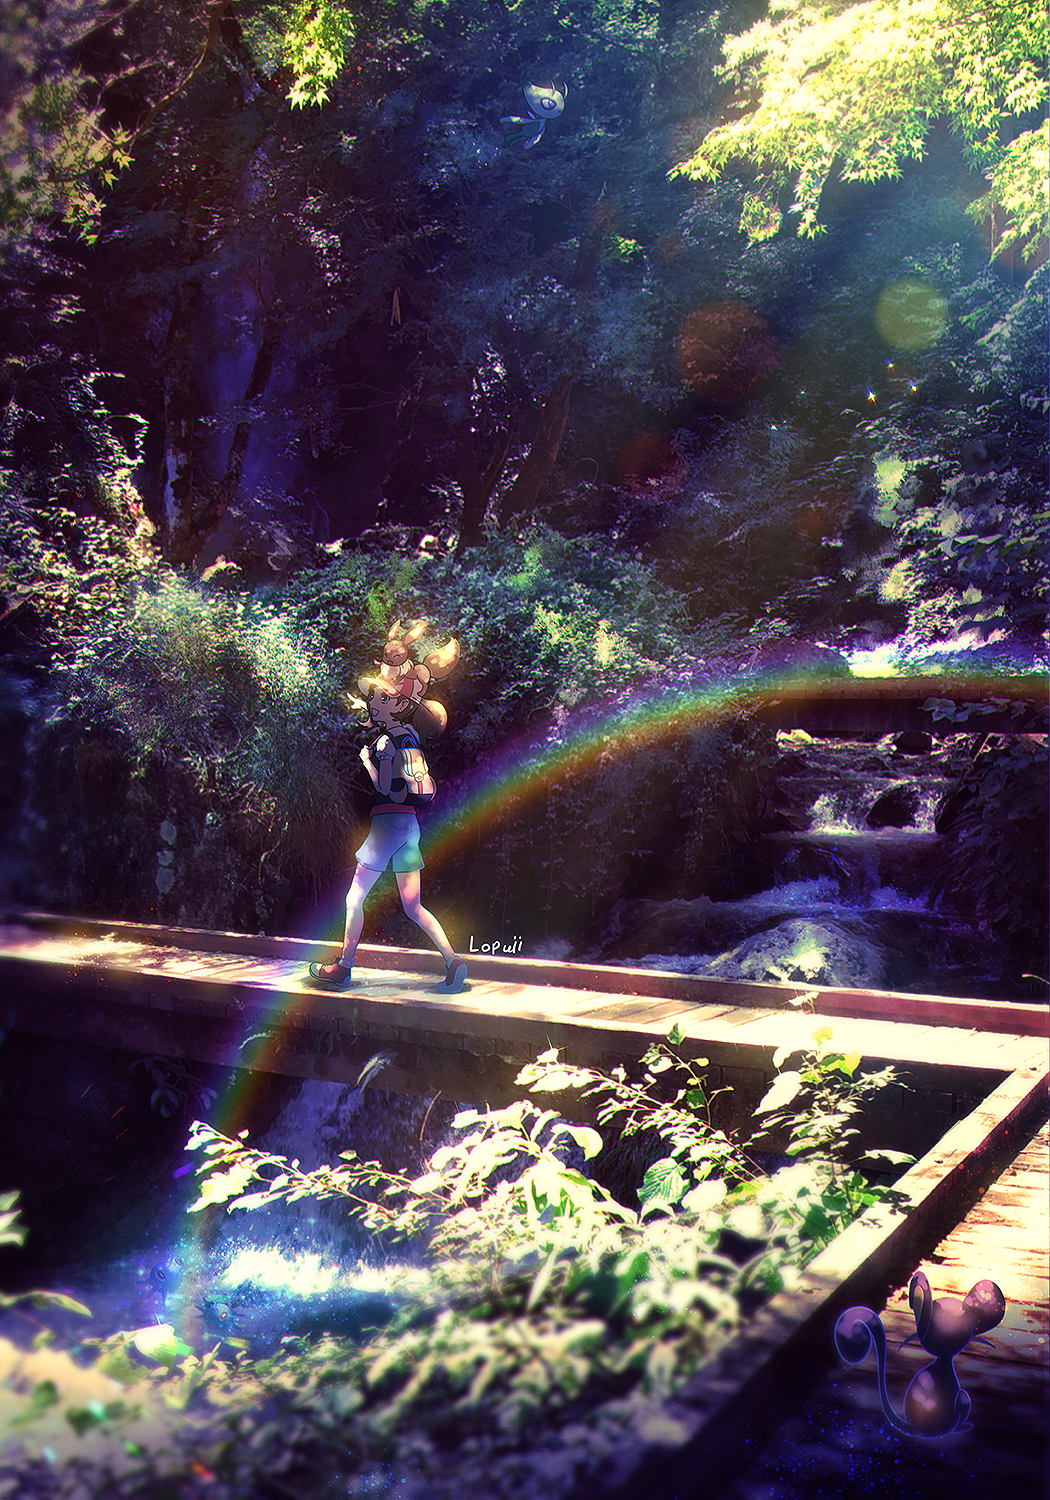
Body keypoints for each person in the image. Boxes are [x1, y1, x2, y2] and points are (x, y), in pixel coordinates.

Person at [308, 621, 467, 994]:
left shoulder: (386, 743)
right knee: (413, 907)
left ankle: (343, 968)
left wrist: (370, 762)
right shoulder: (406, 737)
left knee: (354, 898)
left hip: (388, 826)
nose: (373, 704)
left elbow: (386, 789)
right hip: (408, 827)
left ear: (396, 705)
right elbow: (409, 786)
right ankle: (453, 961)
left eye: (379, 699)